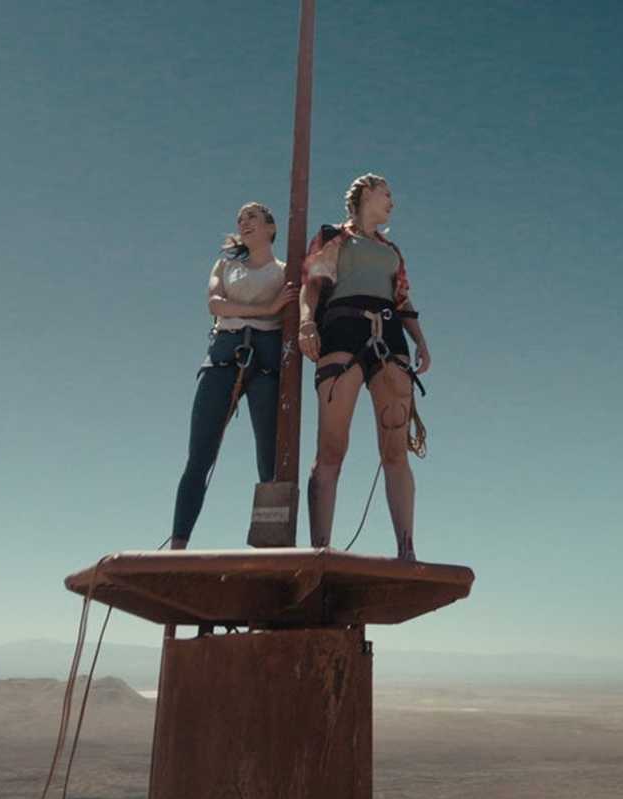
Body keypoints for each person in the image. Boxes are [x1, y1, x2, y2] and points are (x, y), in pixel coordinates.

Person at [297, 174, 431, 560]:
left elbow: (402, 298)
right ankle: (320, 549)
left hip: (390, 334)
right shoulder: (333, 237)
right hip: (342, 329)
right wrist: (307, 322)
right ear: (367, 192)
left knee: (395, 451)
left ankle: (406, 549)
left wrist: (421, 341)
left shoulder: (392, 251)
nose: (392, 201)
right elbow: (313, 284)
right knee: (332, 447)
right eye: (387, 193)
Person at [168, 203, 294, 550]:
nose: (244, 222)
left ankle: (271, 547)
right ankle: (178, 546)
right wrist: (267, 309)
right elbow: (216, 304)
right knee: (199, 454)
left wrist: (269, 313)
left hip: (266, 363)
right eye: (240, 219)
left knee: (270, 460)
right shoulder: (225, 265)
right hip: (223, 356)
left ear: (271, 227)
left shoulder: (286, 271)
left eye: (252, 216)